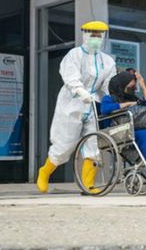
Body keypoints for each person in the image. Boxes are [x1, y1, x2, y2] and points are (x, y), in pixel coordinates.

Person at [36, 21, 116, 194]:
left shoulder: (107, 61)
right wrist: (80, 91)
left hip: (94, 103)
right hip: (72, 103)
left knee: (94, 144)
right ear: (85, 35)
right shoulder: (74, 55)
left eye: (99, 35)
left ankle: (88, 184)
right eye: (92, 35)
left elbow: (109, 84)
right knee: (65, 144)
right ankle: (45, 172)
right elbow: (70, 76)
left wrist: (115, 97)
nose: (96, 38)